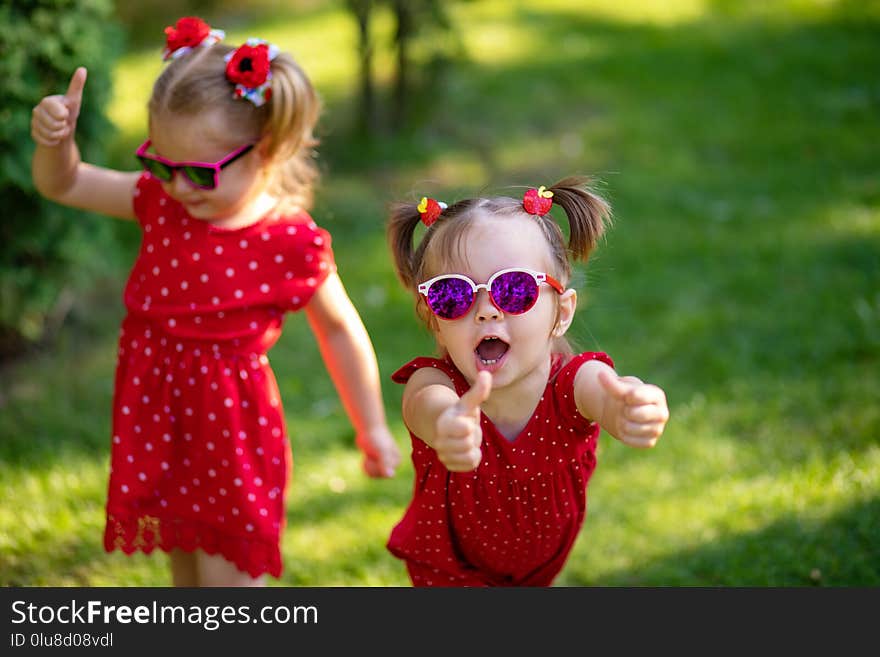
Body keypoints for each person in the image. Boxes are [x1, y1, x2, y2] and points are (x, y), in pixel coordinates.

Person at [30, 16, 400, 586]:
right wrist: (56, 146)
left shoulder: (291, 242)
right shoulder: (160, 202)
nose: (177, 186)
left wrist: (371, 426)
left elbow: (340, 330)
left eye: (199, 172)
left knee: (227, 580)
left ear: (268, 149)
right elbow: (67, 183)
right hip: (157, 416)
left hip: (230, 432)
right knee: (186, 571)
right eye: (162, 163)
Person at [384, 178, 669, 586]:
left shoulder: (572, 384)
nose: (486, 311)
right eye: (453, 295)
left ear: (562, 312)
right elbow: (425, 405)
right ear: (434, 321)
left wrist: (630, 405)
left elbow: (605, 390)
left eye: (514, 290)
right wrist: (446, 424)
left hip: (538, 566)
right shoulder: (436, 383)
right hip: (448, 565)